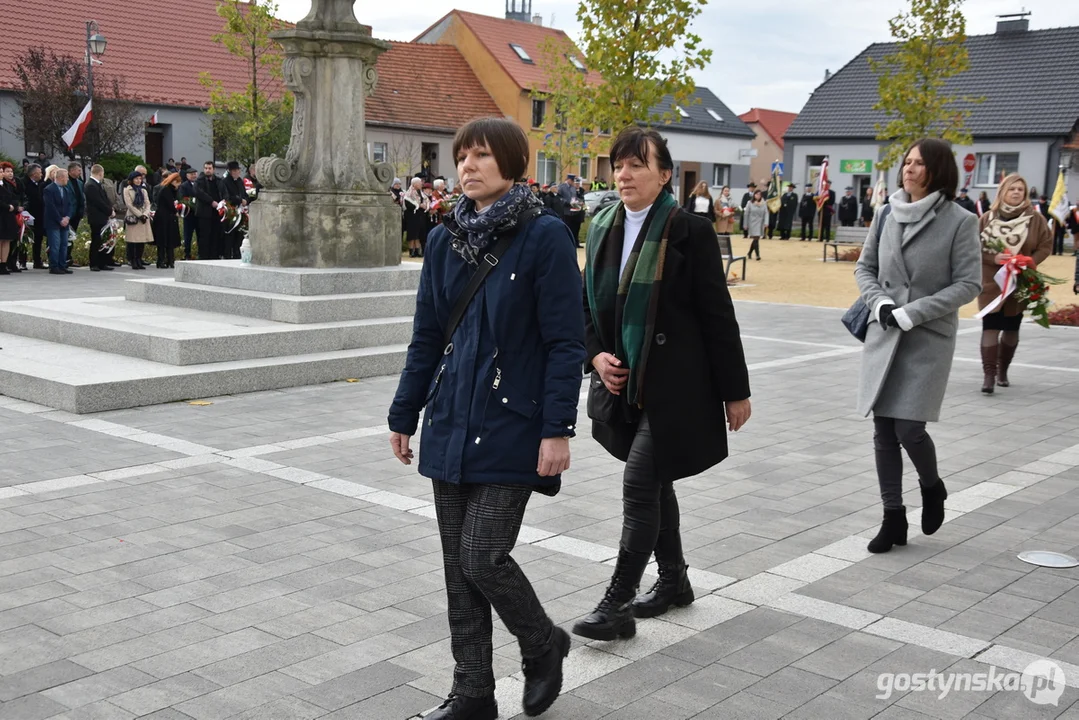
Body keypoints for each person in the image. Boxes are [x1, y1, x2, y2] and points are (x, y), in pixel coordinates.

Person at [388, 117, 584, 720]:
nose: (467, 166)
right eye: (461, 156)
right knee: (457, 571)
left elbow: (565, 342)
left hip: (513, 424)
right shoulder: (445, 240)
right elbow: (426, 336)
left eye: (480, 155)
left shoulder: (544, 235)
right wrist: (405, 413)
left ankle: (542, 641)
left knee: (483, 557)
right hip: (450, 420)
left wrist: (557, 428)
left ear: (511, 162)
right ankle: (473, 691)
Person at [575, 124, 750, 642]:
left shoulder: (687, 230)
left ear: (665, 174)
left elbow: (718, 315)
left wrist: (734, 390)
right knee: (655, 482)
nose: (624, 175)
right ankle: (674, 580)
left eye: (637, 165)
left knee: (638, 482)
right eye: (618, 165)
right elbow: (583, 306)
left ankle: (617, 604)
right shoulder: (602, 224)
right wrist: (595, 357)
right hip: (622, 380)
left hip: (677, 384)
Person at [854, 138, 981, 554]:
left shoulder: (960, 221)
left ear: (938, 170)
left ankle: (932, 486)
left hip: (926, 337)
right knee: (883, 430)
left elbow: (968, 284)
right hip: (886, 330)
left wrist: (914, 311)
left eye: (919, 163)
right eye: (906, 162)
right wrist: (882, 302)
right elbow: (865, 267)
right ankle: (893, 518)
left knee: (909, 427)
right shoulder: (887, 212)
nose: (908, 169)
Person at [976, 173, 1052, 394]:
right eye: (1012, 189)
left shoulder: (1035, 220)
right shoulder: (987, 219)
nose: (1017, 192)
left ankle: (1002, 371)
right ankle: (988, 375)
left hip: (1020, 282)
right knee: (990, 326)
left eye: (1021, 189)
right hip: (991, 284)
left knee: (1011, 327)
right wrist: (993, 258)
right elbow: (972, 248)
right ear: (1002, 192)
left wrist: (1030, 260)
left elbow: (1046, 245)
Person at [43, 168, 73, 275]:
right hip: (53, 222)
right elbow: (50, 206)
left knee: (64, 244)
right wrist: (60, 219)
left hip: (64, 221)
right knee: (55, 245)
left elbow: (70, 205)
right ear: (60, 177)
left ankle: (62, 265)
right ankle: (54, 266)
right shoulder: (49, 189)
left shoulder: (66, 190)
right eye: (67, 177)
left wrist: (68, 217)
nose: (68, 179)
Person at [84, 164, 114, 272]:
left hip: (102, 217)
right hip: (96, 217)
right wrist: (109, 211)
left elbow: (105, 199)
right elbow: (98, 202)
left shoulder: (98, 184)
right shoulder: (90, 185)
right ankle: (94, 263)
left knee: (103, 240)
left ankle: (102, 262)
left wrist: (111, 209)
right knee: (96, 240)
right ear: (100, 173)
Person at [195, 162, 227, 260]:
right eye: (206, 168)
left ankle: (214, 255)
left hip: (216, 213)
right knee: (204, 236)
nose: (207, 170)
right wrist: (211, 201)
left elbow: (224, 192)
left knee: (216, 235)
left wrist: (223, 201)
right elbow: (199, 193)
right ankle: (203, 256)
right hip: (204, 213)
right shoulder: (199, 181)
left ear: (213, 169)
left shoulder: (218, 180)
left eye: (209, 168)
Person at [123, 171, 154, 269]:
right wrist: (139, 215)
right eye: (136, 179)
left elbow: (147, 203)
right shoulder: (127, 190)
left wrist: (145, 214)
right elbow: (129, 205)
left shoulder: (143, 190)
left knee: (141, 240)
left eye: (140, 179)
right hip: (133, 216)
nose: (138, 180)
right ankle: (133, 260)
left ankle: (139, 259)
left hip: (143, 217)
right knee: (133, 240)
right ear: (132, 180)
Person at [154, 173, 183, 268]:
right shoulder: (166, 190)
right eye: (178, 183)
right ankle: (162, 260)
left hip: (168, 218)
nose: (179, 185)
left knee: (169, 239)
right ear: (174, 181)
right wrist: (177, 209)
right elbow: (170, 204)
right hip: (164, 218)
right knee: (163, 240)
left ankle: (170, 260)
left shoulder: (170, 189)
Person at [223, 161, 247, 259]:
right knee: (230, 235)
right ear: (231, 171)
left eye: (238, 170)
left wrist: (246, 200)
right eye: (235, 170)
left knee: (239, 234)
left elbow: (244, 194)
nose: (237, 172)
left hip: (241, 211)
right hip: (231, 212)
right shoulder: (225, 182)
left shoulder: (240, 181)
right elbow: (227, 197)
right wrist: (239, 200)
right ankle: (227, 255)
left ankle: (237, 254)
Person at [23, 164, 45, 268]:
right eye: (40, 172)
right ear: (33, 174)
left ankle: (37, 260)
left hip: (39, 215)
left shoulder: (41, 183)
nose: (42, 174)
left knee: (38, 238)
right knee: (24, 238)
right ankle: (22, 261)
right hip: (27, 215)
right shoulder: (24, 183)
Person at [402, 178, 428, 258]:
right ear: (415, 184)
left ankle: (417, 251)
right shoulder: (409, 194)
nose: (421, 184)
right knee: (412, 235)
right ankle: (411, 251)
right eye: (419, 183)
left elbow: (425, 200)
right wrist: (418, 205)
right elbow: (408, 205)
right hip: (411, 217)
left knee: (418, 235)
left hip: (419, 216)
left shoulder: (421, 193)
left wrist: (425, 205)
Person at [179, 167, 200, 260]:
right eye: (192, 174)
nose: (194, 176)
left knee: (200, 234)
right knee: (188, 235)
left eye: (195, 174)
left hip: (199, 214)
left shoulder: (199, 184)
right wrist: (191, 203)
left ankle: (201, 253)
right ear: (187, 176)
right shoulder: (184, 186)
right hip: (189, 214)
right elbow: (183, 198)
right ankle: (187, 253)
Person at [0, 162, 16, 275]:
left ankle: (3, 264)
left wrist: (14, 205)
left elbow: (13, 197)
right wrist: (7, 206)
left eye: (2, 172)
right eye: (0, 172)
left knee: (6, 240)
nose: (1, 174)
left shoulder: (7, 185)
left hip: (8, 216)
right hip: (1, 214)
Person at [743, 189, 767, 260]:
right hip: (752, 223)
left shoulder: (764, 203)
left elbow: (766, 213)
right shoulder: (750, 203)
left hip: (760, 223)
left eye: (759, 194)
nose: (758, 196)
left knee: (756, 239)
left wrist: (766, 222)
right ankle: (757, 255)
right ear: (754, 195)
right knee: (756, 238)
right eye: (756, 194)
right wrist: (745, 224)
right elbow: (746, 214)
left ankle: (750, 252)